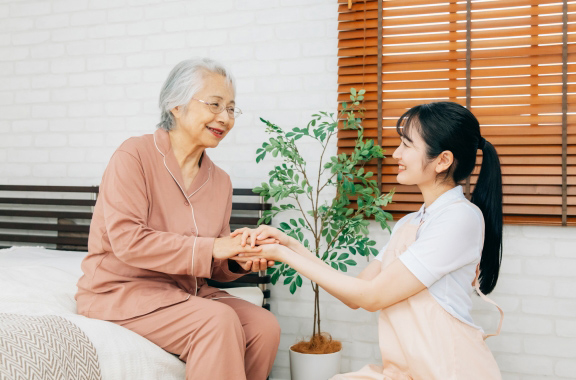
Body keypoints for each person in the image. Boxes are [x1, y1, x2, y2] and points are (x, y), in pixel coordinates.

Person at [233, 102, 504, 379]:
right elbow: (359, 293)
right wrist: (291, 245)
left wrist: (281, 253)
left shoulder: (459, 218)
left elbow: (372, 297)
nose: (396, 153)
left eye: (407, 145)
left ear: (443, 160)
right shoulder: (410, 223)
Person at [75, 58, 280, 380]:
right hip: (122, 291)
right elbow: (128, 242)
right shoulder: (134, 156)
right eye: (214, 105)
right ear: (176, 106)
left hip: (187, 292)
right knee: (215, 321)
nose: (224, 118)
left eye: (231, 109)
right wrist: (215, 246)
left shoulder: (220, 180)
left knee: (264, 326)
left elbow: (212, 264)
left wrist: (239, 259)